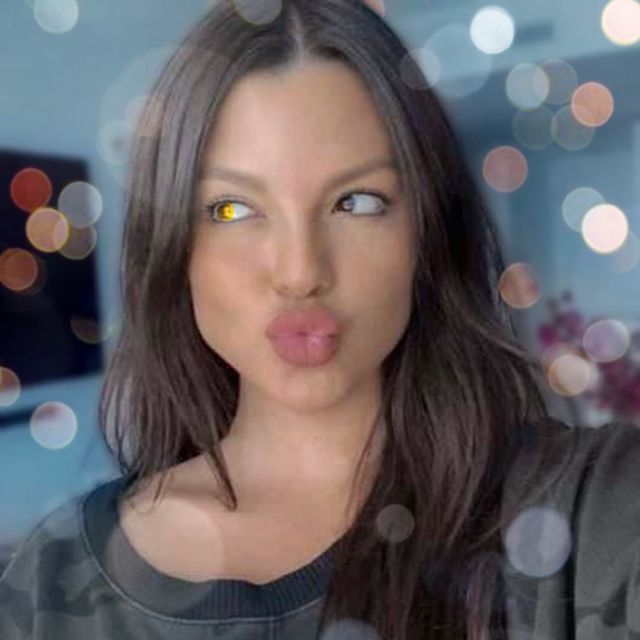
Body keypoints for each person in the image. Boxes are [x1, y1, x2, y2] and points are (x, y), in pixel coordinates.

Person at [2, 1, 640, 638]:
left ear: (426, 233)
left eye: (356, 202)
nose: (301, 271)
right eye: (232, 210)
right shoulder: (49, 583)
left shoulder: (589, 510)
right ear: (173, 247)